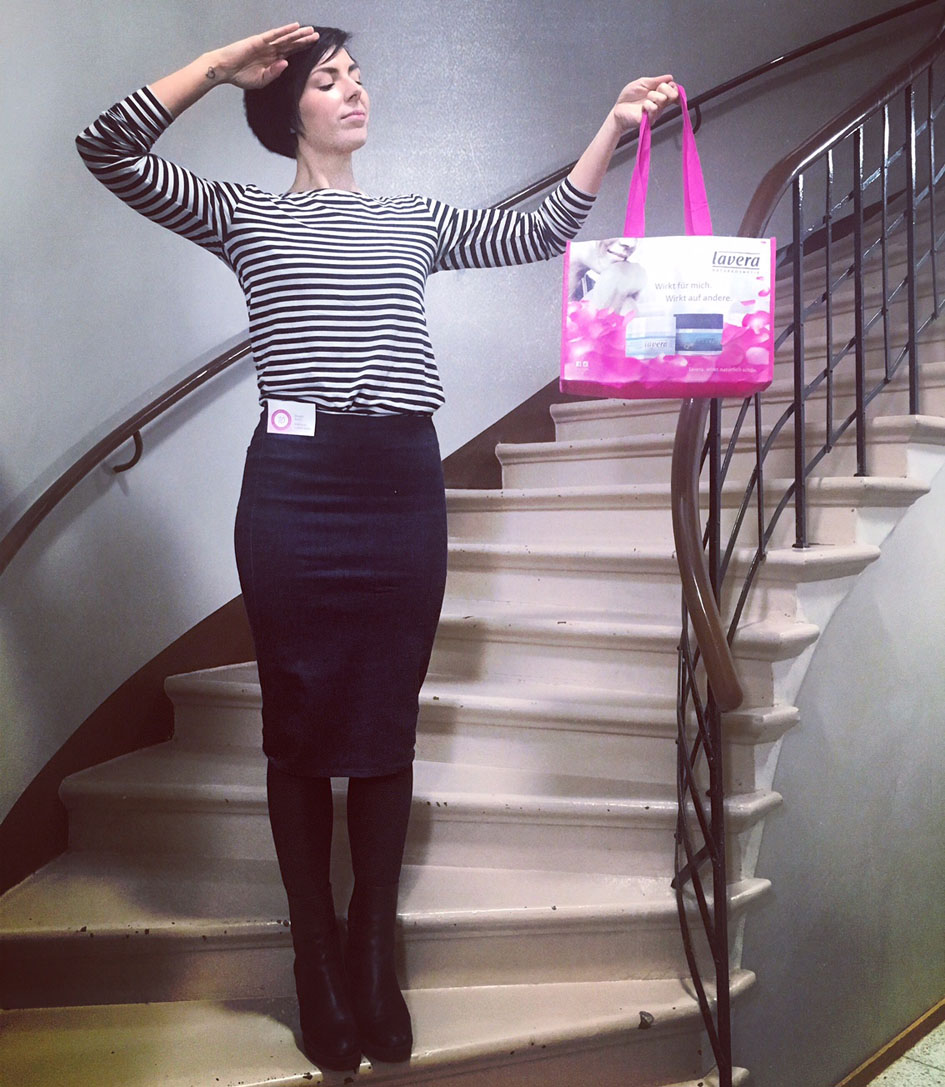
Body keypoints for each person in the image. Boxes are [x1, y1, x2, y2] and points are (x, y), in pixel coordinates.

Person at [76, 22, 678, 1073]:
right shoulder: (244, 213)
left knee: (384, 722)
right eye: (329, 79)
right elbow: (108, 148)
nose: (355, 91)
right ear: (286, 108)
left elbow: (537, 229)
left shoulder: (413, 218)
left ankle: (370, 952)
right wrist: (216, 68)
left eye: (358, 76)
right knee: (301, 728)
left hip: (399, 483)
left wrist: (613, 127)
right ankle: (314, 958)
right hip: (294, 489)